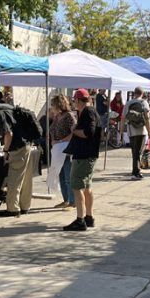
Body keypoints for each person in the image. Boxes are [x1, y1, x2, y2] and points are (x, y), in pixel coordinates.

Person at [0, 98, 36, 217]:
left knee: (14, 178)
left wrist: (5, 150)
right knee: (26, 178)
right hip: (26, 143)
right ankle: (25, 206)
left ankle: (13, 208)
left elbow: (8, 134)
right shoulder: (6, 107)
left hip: (17, 148)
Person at [63, 89, 101, 231]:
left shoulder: (88, 112)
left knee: (77, 186)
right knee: (87, 187)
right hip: (89, 155)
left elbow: (88, 132)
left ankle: (80, 220)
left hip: (84, 156)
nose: (74, 103)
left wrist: (74, 130)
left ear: (78, 100)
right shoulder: (91, 111)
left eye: (74, 101)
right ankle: (89, 217)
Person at [48, 94, 77, 209]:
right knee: (60, 176)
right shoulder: (57, 116)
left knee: (68, 177)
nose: (52, 107)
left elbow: (74, 133)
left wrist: (60, 140)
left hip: (66, 150)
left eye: (53, 105)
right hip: (57, 150)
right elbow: (52, 129)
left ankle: (72, 201)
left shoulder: (69, 116)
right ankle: (66, 200)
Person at [120, 86, 150, 180]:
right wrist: (149, 132)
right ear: (142, 93)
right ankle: (136, 172)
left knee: (134, 151)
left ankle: (136, 170)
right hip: (141, 130)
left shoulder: (129, 103)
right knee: (138, 152)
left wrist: (121, 132)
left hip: (131, 130)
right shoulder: (144, 102)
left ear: (134, 93)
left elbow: (123, 118)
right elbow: (147, 118)